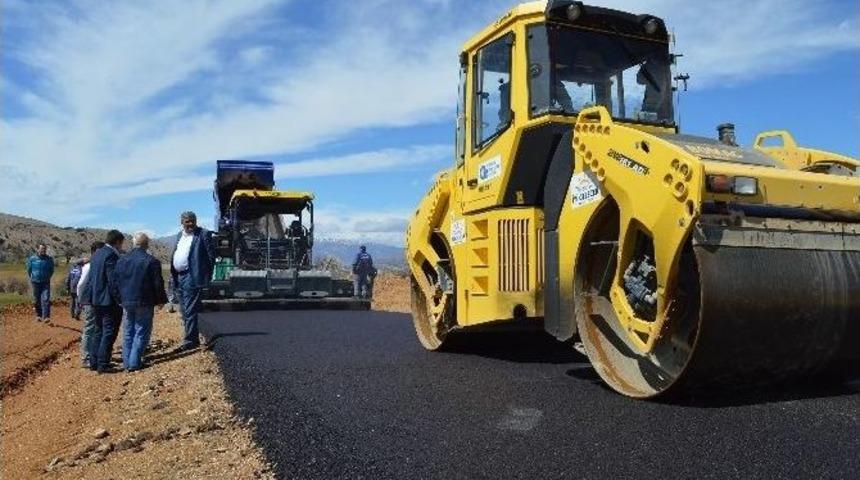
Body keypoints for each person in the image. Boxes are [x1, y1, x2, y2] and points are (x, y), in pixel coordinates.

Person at [115, 232, 168, 372]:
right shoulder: (152, 261)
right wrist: (161, 300)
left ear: (133, 243)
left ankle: (127, 362)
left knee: (128, 331)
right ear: (147, 244)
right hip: (144, 302)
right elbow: (158, 283)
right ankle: (134, 362)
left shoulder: (121, 260)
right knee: (141, 331)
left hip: (126, 301)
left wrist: (119, 298)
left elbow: (115, 282)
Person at [170, 211, 215, 352]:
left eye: (192, 221)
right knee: (183, 309)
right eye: (187, 221)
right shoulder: (179, 236)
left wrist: (204, 275)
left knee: (189, 309)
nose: (190, 224)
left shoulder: (203, 234)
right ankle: (192, 337)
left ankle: (190, 340)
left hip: (192, 276)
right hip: (179, 276)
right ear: (182, 222)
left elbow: (210, 257)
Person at [88, 230, 125, 373]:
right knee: (109, 331)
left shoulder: (97, 254)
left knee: (98, 330)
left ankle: (94, 361)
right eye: (121, 243)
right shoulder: (111, 255)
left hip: (96, 299)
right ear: (117, 242)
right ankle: (103, 363)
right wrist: (119, 299)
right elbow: (112, 280)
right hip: (108, 300)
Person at [77, 241, 105, 368]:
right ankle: (86, 357)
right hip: (89, 301)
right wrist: (80, 299)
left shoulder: (97, 264)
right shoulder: (89, 266)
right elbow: (81, 284)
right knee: (89, 328)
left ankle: (94, 354)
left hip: (97, 301)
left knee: (96, 328)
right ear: (95, 251)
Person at [26, 244, 55, 322]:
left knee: (46, 298)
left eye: (44, 249)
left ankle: (46, 317)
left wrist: (47, 277)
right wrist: (33, 277)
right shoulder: (32, 259)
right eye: (42, 249)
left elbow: (51, 270)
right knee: (36, 299)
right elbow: (29, 270)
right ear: (37, 249)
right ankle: (38, 315)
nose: (43, 250)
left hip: (45, 282)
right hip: (35, 282)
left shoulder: (49, 259)